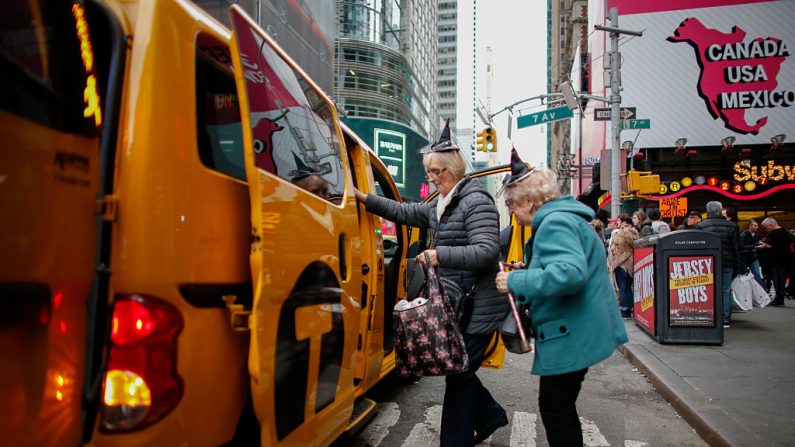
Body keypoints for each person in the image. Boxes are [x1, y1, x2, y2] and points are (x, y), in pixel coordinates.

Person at [353, 121, 508, 446]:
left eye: (437, 171)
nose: (432, 177)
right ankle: (490, 414)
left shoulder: (475, 201)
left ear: (454, 169)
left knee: (459, 374)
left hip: (479, 307)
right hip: (458, 304)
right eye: (430, 171)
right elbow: (405, 211)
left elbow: (487, 250)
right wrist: (363, 198)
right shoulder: (442, 203)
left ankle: (459, 437)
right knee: (458, 370)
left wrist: (441, 255)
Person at [494, 150, 628, 447]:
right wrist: (530, 269)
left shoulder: (554, 223)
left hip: (573, 334)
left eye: (511, 203)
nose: (511, 210)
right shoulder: (564, 218)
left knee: (556, 410)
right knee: (559, 408)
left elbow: (570, 273)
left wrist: (516, 279)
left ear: (529, 201)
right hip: (580, 329)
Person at [696, 201, 742, 327]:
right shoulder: (732, 226)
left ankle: (709, 315)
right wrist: (738, 266)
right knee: (725, 290)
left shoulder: (702, 226)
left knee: (708, 289)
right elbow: (736, 248)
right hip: (727, 261)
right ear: (720, 210)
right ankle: (725, 318)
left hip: (708, 262)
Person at [608, 222, 639, 318]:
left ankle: (625, 311)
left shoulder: (618, 234)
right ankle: (631, 308)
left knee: (622, 287)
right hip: (631, 263)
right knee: (629, 287)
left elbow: (612, 249)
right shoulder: (633, 233)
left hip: (620, 264)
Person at [759, 217, 792, 306]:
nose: (766, 230)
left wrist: (763, 246)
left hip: (777, 260)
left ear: (771, 225)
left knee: (777, 280)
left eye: (766, 227)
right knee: (781, 280)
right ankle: (779, 298)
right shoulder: (784, 232)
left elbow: (770, 245)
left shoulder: (774, 233)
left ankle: (779, 299)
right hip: (785, 260)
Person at [739, 220, 765, 288]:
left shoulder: (755, 234)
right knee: (744, 275)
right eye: (755, 225)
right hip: (744, 257)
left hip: (753, 257)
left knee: (757, 274)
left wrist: (759, 244)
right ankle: (745, 291)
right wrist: (755, 246)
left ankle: (762, 291)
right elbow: (741, 246)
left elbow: (754, 243)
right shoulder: (743, 234)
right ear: (750, 226)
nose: (757, 227)